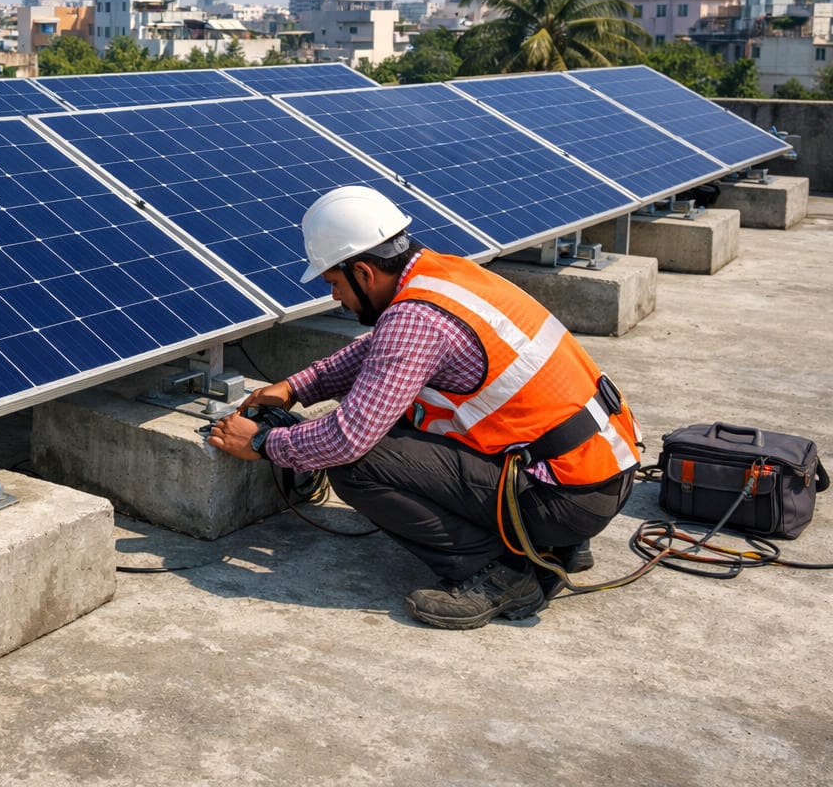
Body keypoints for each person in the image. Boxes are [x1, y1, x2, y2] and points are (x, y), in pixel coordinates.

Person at [209, 185, 641, 630]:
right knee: (399, 416)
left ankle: (501, 576)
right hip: (601, 475)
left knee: (355, 462)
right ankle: (558, 546)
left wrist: (262, 443)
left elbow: (346, 438)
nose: (336, 296)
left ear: (364, 272)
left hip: (565, 500)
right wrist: (297, 387)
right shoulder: (446, 274)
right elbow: (381, 350)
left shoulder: (416, 318)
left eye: (335, 283)